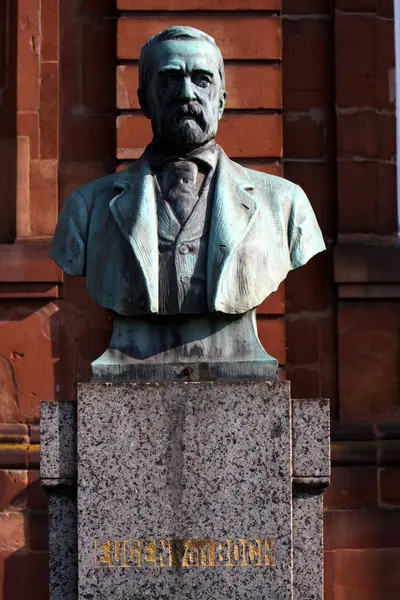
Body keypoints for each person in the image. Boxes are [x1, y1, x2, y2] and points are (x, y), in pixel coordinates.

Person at [49, 26, 325, 378]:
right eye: (169, 79)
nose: (186, 93)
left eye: (202, 79)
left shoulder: (285, 204)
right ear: (144, 99)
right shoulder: (86, 209)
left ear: (222, 99)